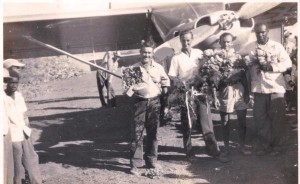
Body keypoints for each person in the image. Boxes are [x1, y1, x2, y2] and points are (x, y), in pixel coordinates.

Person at [168, 30, 229, 162]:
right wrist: (181, 84)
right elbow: (172, 76)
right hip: (186, 93)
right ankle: (189, 152)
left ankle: (214, 151)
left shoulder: (199, 54)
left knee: (206, 122)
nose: (186, 43)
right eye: (183, 40)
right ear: (180, 41)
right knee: (188, 123)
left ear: (192, 40)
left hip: (201, 91)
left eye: (188, 40)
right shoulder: (176, 57)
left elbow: (208, 70)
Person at [244, 24, 292, 156]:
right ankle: (265, 145)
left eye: (263, 32)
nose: (260, 35)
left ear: (268, 32)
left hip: (275, 88)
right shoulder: (250, 48)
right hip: (259, 88)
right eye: (258, 33)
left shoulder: (277, 46)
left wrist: (271, 67)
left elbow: (287, 63)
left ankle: (277, 147)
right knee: (260, 119)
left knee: (277, 119)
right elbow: (243, 62)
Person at [128, 41, 170, 176]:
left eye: (149, 52)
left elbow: (165, 82)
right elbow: (127, 92)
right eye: (144, 52)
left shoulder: (158, 68)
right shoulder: (133, 68)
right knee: (137, 133)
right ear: (140, 53)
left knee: (153, 133)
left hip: (154, 103)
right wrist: (130, 89)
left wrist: (164, 92)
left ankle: (151, 160)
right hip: (139, 103)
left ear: (152, 54)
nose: (146, 55)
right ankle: (136, 164)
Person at [212, 33, 251, 156]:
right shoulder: (215, 58)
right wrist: (214, 97)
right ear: (219, 42)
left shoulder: (238, 57)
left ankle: (242, 146)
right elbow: (212, 80)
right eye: (223, 42)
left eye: (228, 42)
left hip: (239, 88)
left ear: (232, 42)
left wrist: (247, 93)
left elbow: (244, 76)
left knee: (242, 120)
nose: (226, 44)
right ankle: (226, 147)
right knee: (225, 121)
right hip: (225, 89)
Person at [4, 68, 42, 184]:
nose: (14, 86)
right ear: (6, 83)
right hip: (13, 136)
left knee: (31, 159)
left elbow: (24, 113)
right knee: (16, 166)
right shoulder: (3, 98)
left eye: (16, 83)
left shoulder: (19, 96)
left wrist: (27, 127)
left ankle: (36, 181)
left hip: (24, 133)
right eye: (11, 83)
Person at [3, 68, 14, 184]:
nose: (4, 83)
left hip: (6, 132)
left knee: (8, 166)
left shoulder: (5, 97)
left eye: (6, 81)